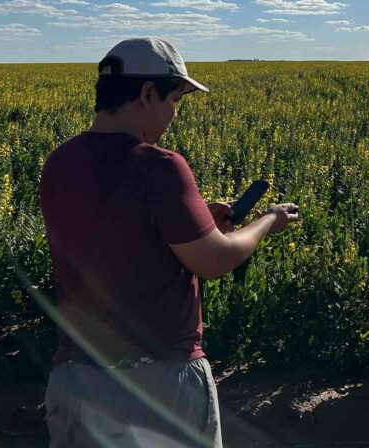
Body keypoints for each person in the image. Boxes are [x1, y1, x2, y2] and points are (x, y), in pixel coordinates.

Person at [40, 37, 299, 446]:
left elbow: (116, 232)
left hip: (76, 381)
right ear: (147, 94)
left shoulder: (59, 163)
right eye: (175, 99)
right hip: (157, 386)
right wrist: (268, 220)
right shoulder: (159, 166)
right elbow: (213, 261)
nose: (174, 114)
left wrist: (192, 220)